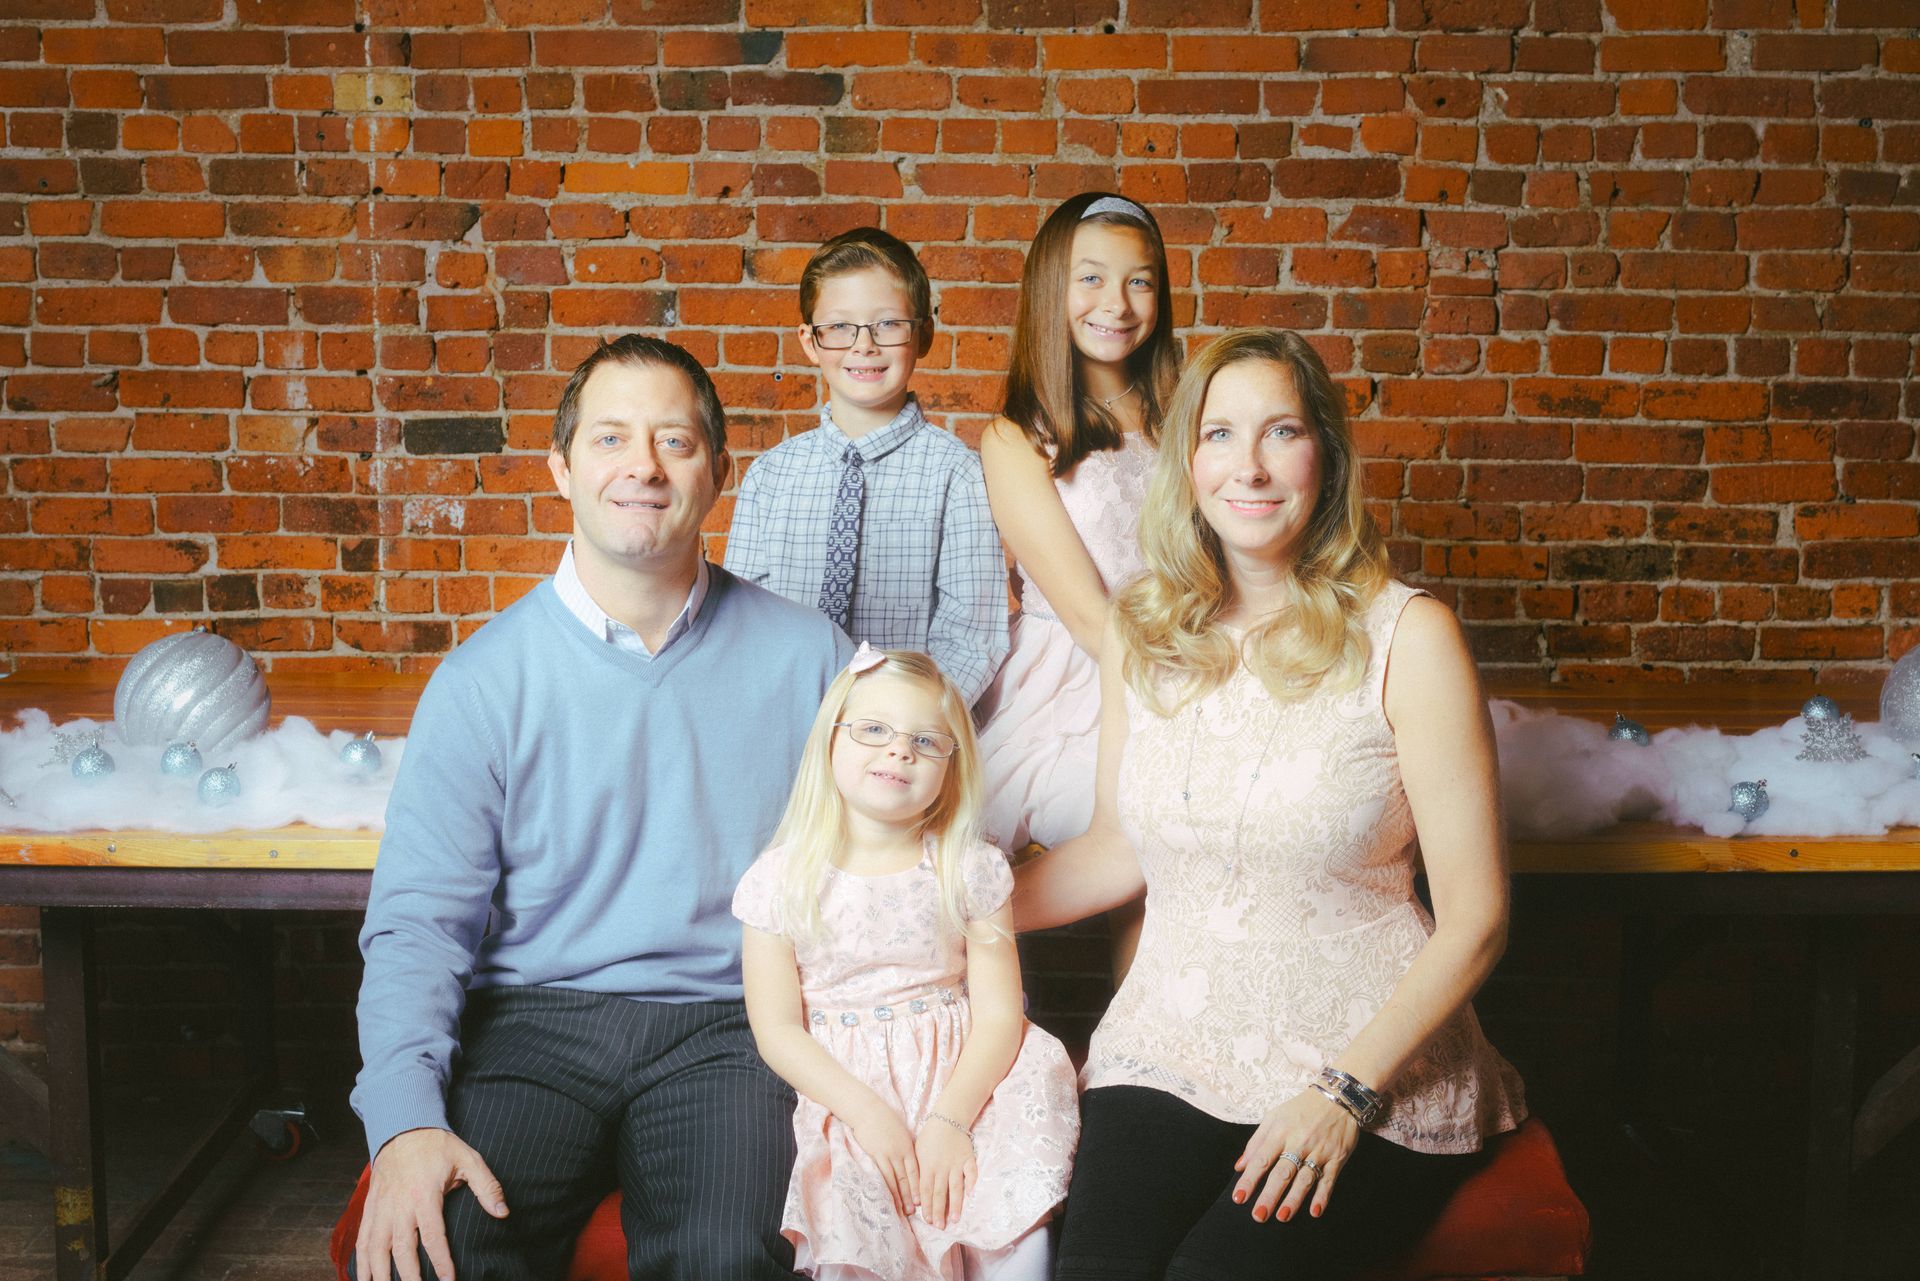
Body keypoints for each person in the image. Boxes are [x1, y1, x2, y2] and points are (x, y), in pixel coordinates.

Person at [1014, 328, 1527, 1280]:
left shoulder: (1408, 636)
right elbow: (1116, 850)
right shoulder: (1145, 631)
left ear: (1324, 455)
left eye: (1280, 430)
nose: (1247, 465)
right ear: (1188, 462)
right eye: (1218, 435)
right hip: (1171, 1040)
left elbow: (1477, 917)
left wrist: (1343, 1093)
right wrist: (948, 901)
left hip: (1369, 1059)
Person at [351, 335, 852, 1281]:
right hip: (534, 1021)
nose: (644, 468)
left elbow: (889, 867)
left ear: (718, 471)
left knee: (730, 1256)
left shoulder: (815, 660)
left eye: (676, 440)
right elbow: (418, 924)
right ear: (562, 468)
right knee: (445, 1251)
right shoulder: (481, 681)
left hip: (733, 1021)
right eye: (612, 438)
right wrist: (405, 1121)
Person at [734, 645, 1078, 1281]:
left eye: (926, 739)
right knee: (866, 1228)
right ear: (829, 741)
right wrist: (866, 1114)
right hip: (853, 1089)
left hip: (971, 1077)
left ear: (953, 765)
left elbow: (1002, 1015)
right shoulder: (777, 881)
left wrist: (951, 1120)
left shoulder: (969, 868)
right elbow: (776, 1029)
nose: (900, 751)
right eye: (874, 730)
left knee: (1006, 1220)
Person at [974, 193, 1180, 865]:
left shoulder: (1185, 412)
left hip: (1190, 650)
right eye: (1090, 278)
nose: (1116, 303)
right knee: (1154, 829)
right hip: (1081, 676)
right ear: (1050, 288)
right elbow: (1094, 622)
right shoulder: (1015, 438)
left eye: (1139, 280)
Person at [725, 227, 1009, 706]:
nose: (864, 346)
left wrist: (904, 724)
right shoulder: (769, 477)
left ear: (924, 334)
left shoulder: (957, 474)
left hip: (905, 736)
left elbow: (972, 636)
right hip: (787, 715)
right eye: (839, 327)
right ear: (809, 341)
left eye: (888, 324)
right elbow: (741, 622)